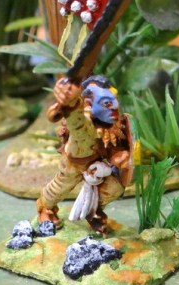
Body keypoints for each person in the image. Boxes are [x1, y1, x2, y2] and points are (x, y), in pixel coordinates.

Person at [36, 75, 132, 235]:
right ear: (89, 103)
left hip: (96, 163)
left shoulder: (112, 124)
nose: (115, 105)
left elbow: (114, 146)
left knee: (114, 188)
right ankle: (45, 208)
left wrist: (119, 158)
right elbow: (75, 117)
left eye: (114, 100)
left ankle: (92, 211)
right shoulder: (83, 121)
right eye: (107, 103)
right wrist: (70, 102)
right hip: (73, 163)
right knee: (59, 188)